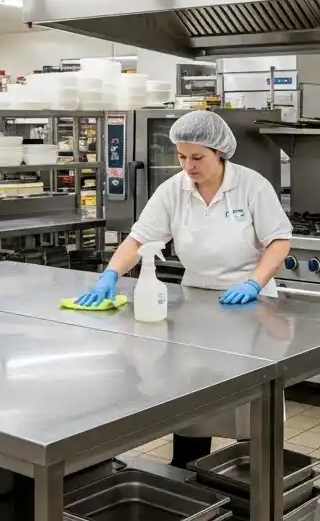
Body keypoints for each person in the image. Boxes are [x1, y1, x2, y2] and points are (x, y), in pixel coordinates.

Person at [74, 110, 292, 468]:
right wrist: (109, 274)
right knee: (193, 396)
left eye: (197, 157)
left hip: (251, 308)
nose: (188, 166)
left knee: (252, 403)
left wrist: (254, 282)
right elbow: (139, 239)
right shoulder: (173, 190)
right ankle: (187, 479)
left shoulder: (251, 186)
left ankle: (257, 480)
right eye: (181, 157)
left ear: (220, 153)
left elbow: (279, 242)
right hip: (197, 306)